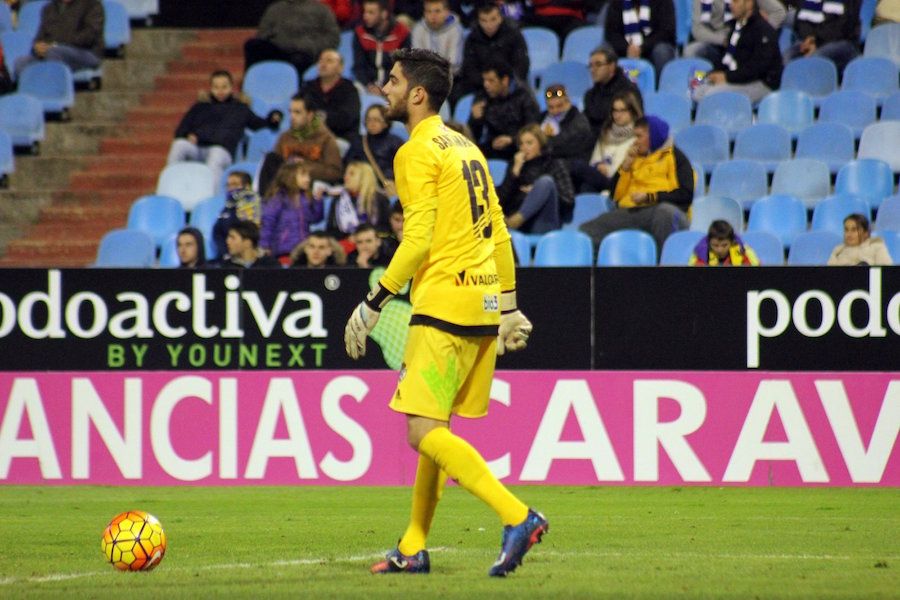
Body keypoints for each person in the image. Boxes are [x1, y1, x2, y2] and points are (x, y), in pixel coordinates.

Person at [343, 47, 546, 578]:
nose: (383, 89)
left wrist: (374, 301)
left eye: (391, 81)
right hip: (480, 306)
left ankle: (517, 515)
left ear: (416, 94)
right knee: (434, 429)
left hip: (443, 304)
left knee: (419, 431)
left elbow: (418, 239)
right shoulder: (468, 148)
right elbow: (499, 232)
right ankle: (413, 546)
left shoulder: (414, 151)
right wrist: (507, 307)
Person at [579, 115, 693, 251]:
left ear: (654, 136)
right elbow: (614, 195)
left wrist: (650, 196)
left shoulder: (676, 157)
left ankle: (664, 268)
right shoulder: (633, 158)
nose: (635, 141)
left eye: (639, 136)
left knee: (664, 213)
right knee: (586, 231)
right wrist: (624, 168)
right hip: (633, 211)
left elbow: (685, 195)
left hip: (665, 210)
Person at [167, 70, 281, 193]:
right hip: (198, 148)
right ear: (210, 88)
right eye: (216, 87)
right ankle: (169, 188)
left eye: (224, 87)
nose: (220, 91)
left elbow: (259, 123)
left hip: (222, 150)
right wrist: (187, 135)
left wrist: (274, 117)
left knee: (215, 155)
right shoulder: (200, 106)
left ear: (231, 87)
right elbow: (181, 129)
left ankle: (209, 195)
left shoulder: (240, 108)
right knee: (179, 145)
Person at [690, 0, 783, 104]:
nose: (731, 5)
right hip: (736, 77)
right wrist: (712, 74)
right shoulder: (736, 27)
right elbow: (728, 58)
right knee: (697, 89)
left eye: (736, 1)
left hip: (761, 83)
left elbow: (756, 69)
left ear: (749, 3)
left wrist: (727, 77)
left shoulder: (763, 30)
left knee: (711, 95)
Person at [497, 124, 574, 233]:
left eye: (529, 143)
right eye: (521, 144)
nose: (524, 148)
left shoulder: (555, 164)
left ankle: (516, 220)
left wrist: (539, 193)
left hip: (543, 220)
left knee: (545, 182)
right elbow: (500, 201)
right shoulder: (515, 165)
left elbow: (568, 202)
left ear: (540, 144)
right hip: (512, 219)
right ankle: (513, 222)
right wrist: (514, 173)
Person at [243, 0, 340, 80]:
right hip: (280, 51)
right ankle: (249, 85)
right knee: (252, 45)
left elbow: (333, 37)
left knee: (300, 58)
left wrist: (313, 47)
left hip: (307, 53)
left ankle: (297, 93)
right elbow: (262, 34)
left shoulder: (322, 10)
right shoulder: (275, 9)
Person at [453, 2, 530, 102]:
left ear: (500, 17)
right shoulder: (472, 39)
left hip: (509, 86)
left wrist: (503, 83)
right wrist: (487, 83)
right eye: (484, 20)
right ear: (478, 20)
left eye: (493, 19)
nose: (489, 25)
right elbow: (469, 69)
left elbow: (521, 64)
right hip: (480, 87)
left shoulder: (513, 34)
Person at [468, 60, 541, 161]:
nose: (486, 85)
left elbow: (533, 129)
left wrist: (512, 139)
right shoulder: (482, 97)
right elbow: (473, 136)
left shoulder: (524, 96)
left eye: (491, 81)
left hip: (519, 147)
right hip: (493, 148)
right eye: (484, 80)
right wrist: (475, 119)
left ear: (505, 80)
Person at [573, 89, 643, 192]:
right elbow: (594, 160)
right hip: (600, 178)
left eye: (622, 110)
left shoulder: (638, 137)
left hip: (618, 181)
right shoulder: (606, 132)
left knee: (577, 166)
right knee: (586, 187)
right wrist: (598, 166)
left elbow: (631, 168)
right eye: (615, 110)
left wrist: (608, 170)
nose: (617, 115)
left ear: (632, 111)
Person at [14, 0, 103, 77]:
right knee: (20, 63)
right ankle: (30, 89)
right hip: (52, 51)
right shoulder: (49, 8)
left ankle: (50, 89)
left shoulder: (92, 5)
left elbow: (89, 36)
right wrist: (36, 47)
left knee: (54, 52)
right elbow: (40, 36)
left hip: (85, 52)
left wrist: (56, 45)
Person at [269, 93, 343, 185]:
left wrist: (305, 168)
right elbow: (274, 167)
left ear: (310, 115)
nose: (292, 117)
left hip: (310, 189)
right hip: (284, 188)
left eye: (297, 112)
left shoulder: (326, 138)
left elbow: (335, 172)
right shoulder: (284, 137)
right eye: (290, 112)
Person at [684, 0, 786, 64]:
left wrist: (759, 33)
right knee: (691, 51)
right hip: (715, 43)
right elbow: (697, 30)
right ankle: (694, 92)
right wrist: (724, 40)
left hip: (744, 43)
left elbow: (779, 12)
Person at [260, 163, 324, 261]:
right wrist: (264, 245)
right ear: (290, 176)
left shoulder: (306, 198)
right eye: (303, 175)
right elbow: (268, 222)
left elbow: (314, 218)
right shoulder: (278, 198)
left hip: (303, 249)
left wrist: (318, 202)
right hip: (284, 250)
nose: (308, 179)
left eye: (308, 176)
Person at [299, 49, 361, 143]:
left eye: (329, 61)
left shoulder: (349, 89)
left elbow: (347, 118)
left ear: (340, 67)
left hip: (340, 138)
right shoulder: (308, 87)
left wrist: (324, 117)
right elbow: (298, 108)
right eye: (320, 60)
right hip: (311, 136)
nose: (323, 64)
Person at [784, 0, 861, 74]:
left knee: (816, 58)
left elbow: (843, 27)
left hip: (843, 42)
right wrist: (809, 38)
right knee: (788, 56)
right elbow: (802, 20)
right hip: (813, 40)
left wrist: (816, 41)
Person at [583, 46, 644, 138]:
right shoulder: (590, 95)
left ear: (611, 66)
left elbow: (634, 123)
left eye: (598, 64)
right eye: (591, 66)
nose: (593, 70)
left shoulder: (628, 92)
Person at [604, 0, 677, 76]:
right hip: (624, 49)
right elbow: (611, 34)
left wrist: (642, 47)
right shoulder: (617, 2)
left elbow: (666, 32)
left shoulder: (663, 2)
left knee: (662, 51)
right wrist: (627, 48)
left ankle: (660, 86)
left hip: (652, 48)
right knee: (604, 52)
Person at [353, 0, 412, 94]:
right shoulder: (360, 33)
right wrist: (369, 86)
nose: (365, 16)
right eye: (364, 12)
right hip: (367, 86)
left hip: (393, 85)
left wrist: (387, 86)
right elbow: (359, 66)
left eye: (371, 13)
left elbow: (403, 66)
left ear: (384, 14)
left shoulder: (402, 34)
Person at [345, 104, 405, 196]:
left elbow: (403, 168)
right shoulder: (359, 142)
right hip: (361, 187)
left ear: (386, 122)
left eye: (376, 120)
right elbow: (348, 163)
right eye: (369, 119)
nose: (372, 123)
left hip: (385, 188)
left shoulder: (395, 142)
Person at [323, 161, 392, 239]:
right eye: (346, 174)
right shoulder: (338, 200)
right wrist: (348, 238)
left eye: (351, 174)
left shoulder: (380, 199)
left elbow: (387, 228)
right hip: (347, 245)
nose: (345, 177)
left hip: (373, 242)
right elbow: (330, 230)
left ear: (364, 178)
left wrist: (363, 235)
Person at [212, 171, 263, 259]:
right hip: (228, 256)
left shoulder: (257, 206)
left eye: (235, 184)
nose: (231, 189)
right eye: (228, 185)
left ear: (247, 186)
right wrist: (225, 252)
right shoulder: (227, 208)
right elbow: (217, 232)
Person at [540, 84, 594, 165]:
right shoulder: (541, 118)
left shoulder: (579, 121)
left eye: (559, 106)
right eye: (551, 107)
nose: (555, 111)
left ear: (568, 102)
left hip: (569, 164)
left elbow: (567, 146)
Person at [411, 0, 464, 76]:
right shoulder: (418, 29)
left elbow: (455, 65)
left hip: (451, 80)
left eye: (437, 11)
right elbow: (417, 60)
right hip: (424, 78)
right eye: (428, 11)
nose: (433, 16)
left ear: (447, 12)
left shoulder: (456, 30)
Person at [827, 214, 894, 266]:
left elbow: (885, 272)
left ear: (866, 233)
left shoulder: (877, 247)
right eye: (846, 230)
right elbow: (829, 275)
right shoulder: (838, 250)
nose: (849, 234)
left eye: (854, 230)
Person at [689, 219, 759, 265]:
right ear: (709, 242)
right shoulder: (701, 253)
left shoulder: (742, 250)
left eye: (724, 245)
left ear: (731, 242)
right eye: (715, 245)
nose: (720, 250)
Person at [219, 221, 283, 269]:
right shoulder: (226, 267)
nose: (227, 241)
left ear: (247, 242)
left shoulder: (270, 265)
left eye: (232, 238)